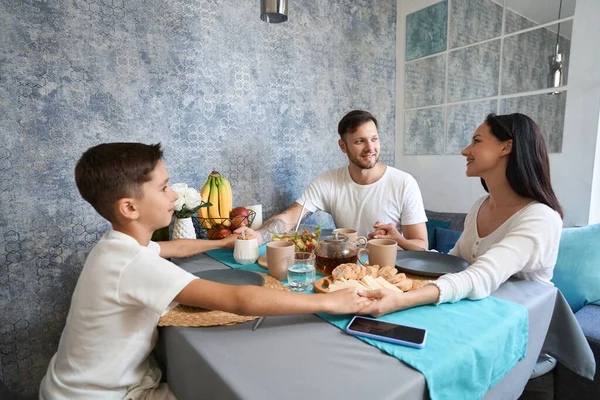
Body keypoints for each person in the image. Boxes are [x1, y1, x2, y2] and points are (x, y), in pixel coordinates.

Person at [39, 142, 372, 400]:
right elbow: (238, 299)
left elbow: (176, 247)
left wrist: (221, 243)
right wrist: (329, 303)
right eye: (164, 188)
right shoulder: (132, 263)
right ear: (129, 207)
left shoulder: (118, 245)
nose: (173, 195)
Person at [357, 113, 563, 317]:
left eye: (477, 141)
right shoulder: (481, 206)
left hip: (521, 322)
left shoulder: (541, 217)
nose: (465, 151)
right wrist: (399, 240)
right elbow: (453, 265)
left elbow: (483, 274)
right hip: (478, 311)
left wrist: (402, 300)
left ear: (506, 147)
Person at [256, 110, 428, 250]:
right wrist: (257, 236)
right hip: (348, 269)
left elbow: (422, 245)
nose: (370, 148)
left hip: (392, 273)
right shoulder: (329, 181)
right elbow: (289, 218)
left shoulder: (404, 183)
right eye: (360, 141)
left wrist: (398, 240)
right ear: (342, 146)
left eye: (374, 139)